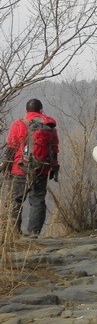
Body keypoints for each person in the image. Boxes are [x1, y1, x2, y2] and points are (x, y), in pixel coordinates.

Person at [2, 98, 60, 238]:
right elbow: (54, 149)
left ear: (26, 110)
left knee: (16, 200)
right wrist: (53, 168)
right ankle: (34, 233)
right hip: (41, 168)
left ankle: (15, 233)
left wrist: (6, 165)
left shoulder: (18, 123)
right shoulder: (50, 126)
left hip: (19, 168)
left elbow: (11, 147)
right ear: (41, 110)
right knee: (38, 199)